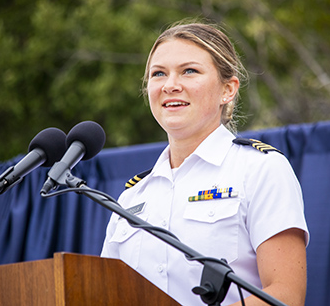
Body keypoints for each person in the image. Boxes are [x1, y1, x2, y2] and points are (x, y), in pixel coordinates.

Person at [101, 21, 309, 306]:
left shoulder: (261, 169)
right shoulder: (131, 197)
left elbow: (286, 296)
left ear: (228, 89)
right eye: (158, 74)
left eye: (189, 71)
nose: (170, 85)